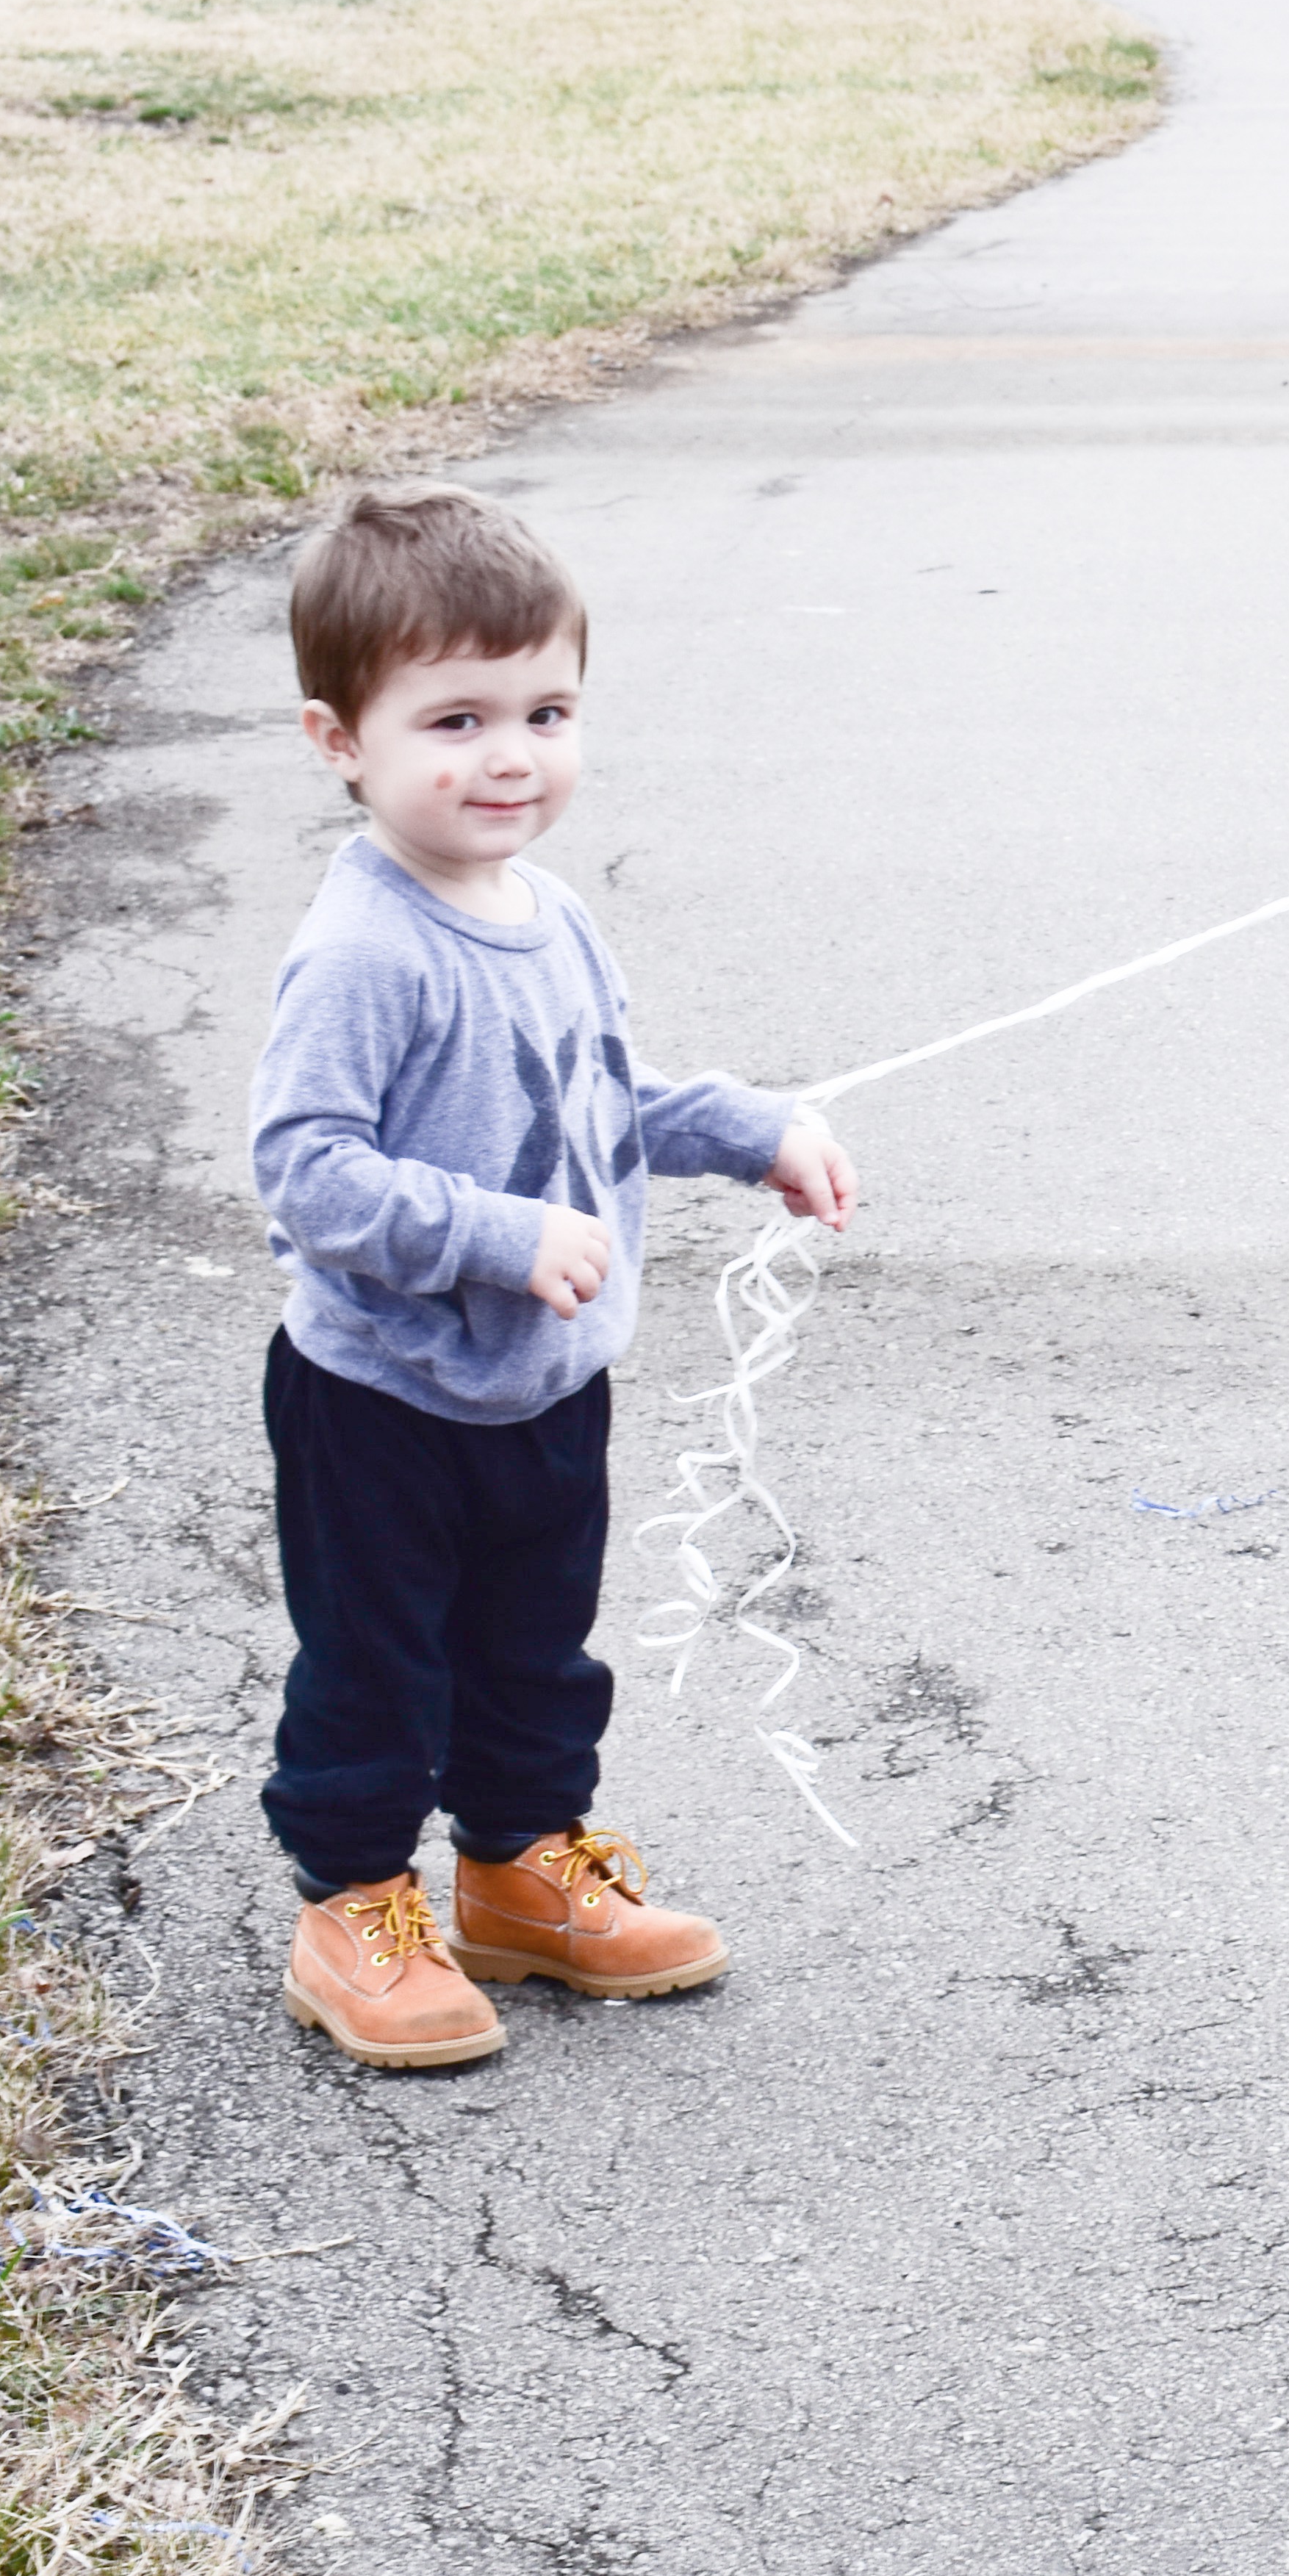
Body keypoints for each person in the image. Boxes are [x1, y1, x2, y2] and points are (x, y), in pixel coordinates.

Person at [246, 481, 857, 2069]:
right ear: (341, 743)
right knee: (380, 1664)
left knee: (533, 1647)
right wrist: (498, 1234)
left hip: (542, 1384)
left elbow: (604, 1098)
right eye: (453, 718)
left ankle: (520, 1871)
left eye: (545, 709)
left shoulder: (551, 915)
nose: (509, 754)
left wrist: (753, 1129)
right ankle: (354, 1906)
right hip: (381, 1394)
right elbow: (306, 1170)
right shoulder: (369, 949)